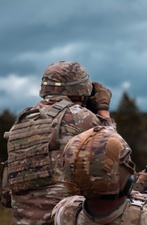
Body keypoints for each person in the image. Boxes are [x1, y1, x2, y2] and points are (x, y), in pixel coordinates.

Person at [2, 61, 115, 224]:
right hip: (64, 219)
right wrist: (103, 110)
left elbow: (6, 197)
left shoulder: (21, 122)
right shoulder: (80, 116)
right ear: (82, 90)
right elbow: (117, 152)